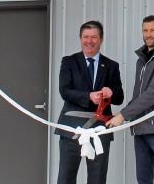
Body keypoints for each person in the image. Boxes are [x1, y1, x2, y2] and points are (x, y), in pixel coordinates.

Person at [106, 15, 154, 184]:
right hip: (140, 128)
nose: (149, 34)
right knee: (143, 179)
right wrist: (120, 114)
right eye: (145, 30)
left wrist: (123, 115)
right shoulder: (142, 60)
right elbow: (138, 96)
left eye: (153, 30)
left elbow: (153, 93)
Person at [56, 20, 124, 184]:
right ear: (80, 38)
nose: (89, 41)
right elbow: (64, 91)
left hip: (100, 129)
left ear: (101, 39)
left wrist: (111, 92)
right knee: (66, 177)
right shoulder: (69, 62)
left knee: (97, 178)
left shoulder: (111, 66)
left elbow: (119, 97)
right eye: (85, 37)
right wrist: (88, 96)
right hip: (71, 127)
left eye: (94, 37)